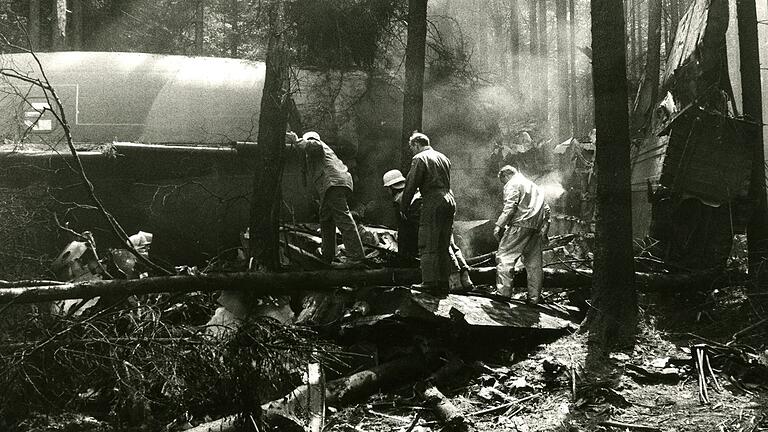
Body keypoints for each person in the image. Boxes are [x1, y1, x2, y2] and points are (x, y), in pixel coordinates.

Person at [382, 169, 474, 290]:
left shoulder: (400, 200)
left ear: (390, 187)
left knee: (440, 246)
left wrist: (404, 255)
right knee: (450, 244)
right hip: (444, 209)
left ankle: (455, 281)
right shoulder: (417, 192)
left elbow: (408, 230)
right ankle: (465, 276)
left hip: (430, 221)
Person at [288, 131, 365, 268]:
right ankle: (328, 255)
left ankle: (356, 256)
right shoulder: (319, 155)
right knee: (326, 219)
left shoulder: (316, 145)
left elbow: (313, 145)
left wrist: (297, 140)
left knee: (343, 218)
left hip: (332, 184)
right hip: (333, 184)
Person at [401, 132, 455, 294]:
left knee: (428, 241)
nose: (412, 151)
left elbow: (411, 183)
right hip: (449, 199)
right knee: (443, 243)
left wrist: (404, 206)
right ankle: (443, 282)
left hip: (433, 200)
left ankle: (429, 281)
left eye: (412, 148)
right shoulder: (443, 157)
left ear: (416, 144)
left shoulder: (420, 158)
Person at [494, 165, 550, 304]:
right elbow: (547, 211)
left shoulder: (513, 184)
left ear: (505, 176)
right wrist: (545, 230)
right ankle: (534, 298)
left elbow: (510, 207)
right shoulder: (535, 187)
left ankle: (503, 293)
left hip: (519, 225)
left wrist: (499, 225)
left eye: (503, 181)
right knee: (534, 265)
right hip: (536, 228)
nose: (504, 184)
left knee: (504, 256)